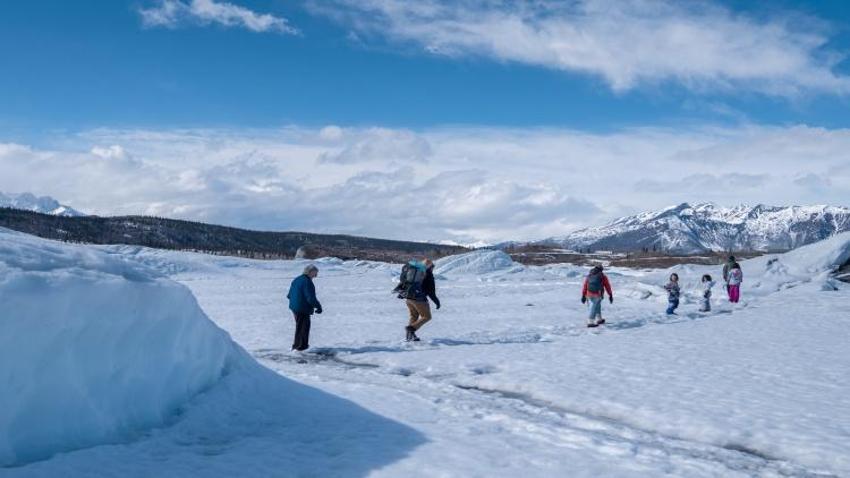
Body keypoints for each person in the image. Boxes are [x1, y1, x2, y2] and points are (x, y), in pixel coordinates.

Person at [394, 258, 441, 341]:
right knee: (427, 317)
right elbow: (431, 292)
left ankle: (410, 336)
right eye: (432, 266)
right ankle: (411, 329)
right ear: (430, 267)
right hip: (419, 299)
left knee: (414, 316)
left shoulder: (415, 273)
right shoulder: (428, 275)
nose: (433, 268)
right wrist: (437, 302)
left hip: (409, 298)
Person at [286, 264, 322, 352]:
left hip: (295, 307)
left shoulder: (297, 279)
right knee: (303, 327)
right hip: (301, 307)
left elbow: (289, 295)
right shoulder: (307, 282)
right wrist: (318, 306)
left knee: (300, 326)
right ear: (310, 272)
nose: (316, 275)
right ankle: (301, 346)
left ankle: (298, 345)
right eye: (315, 273)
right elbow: (310, 297)